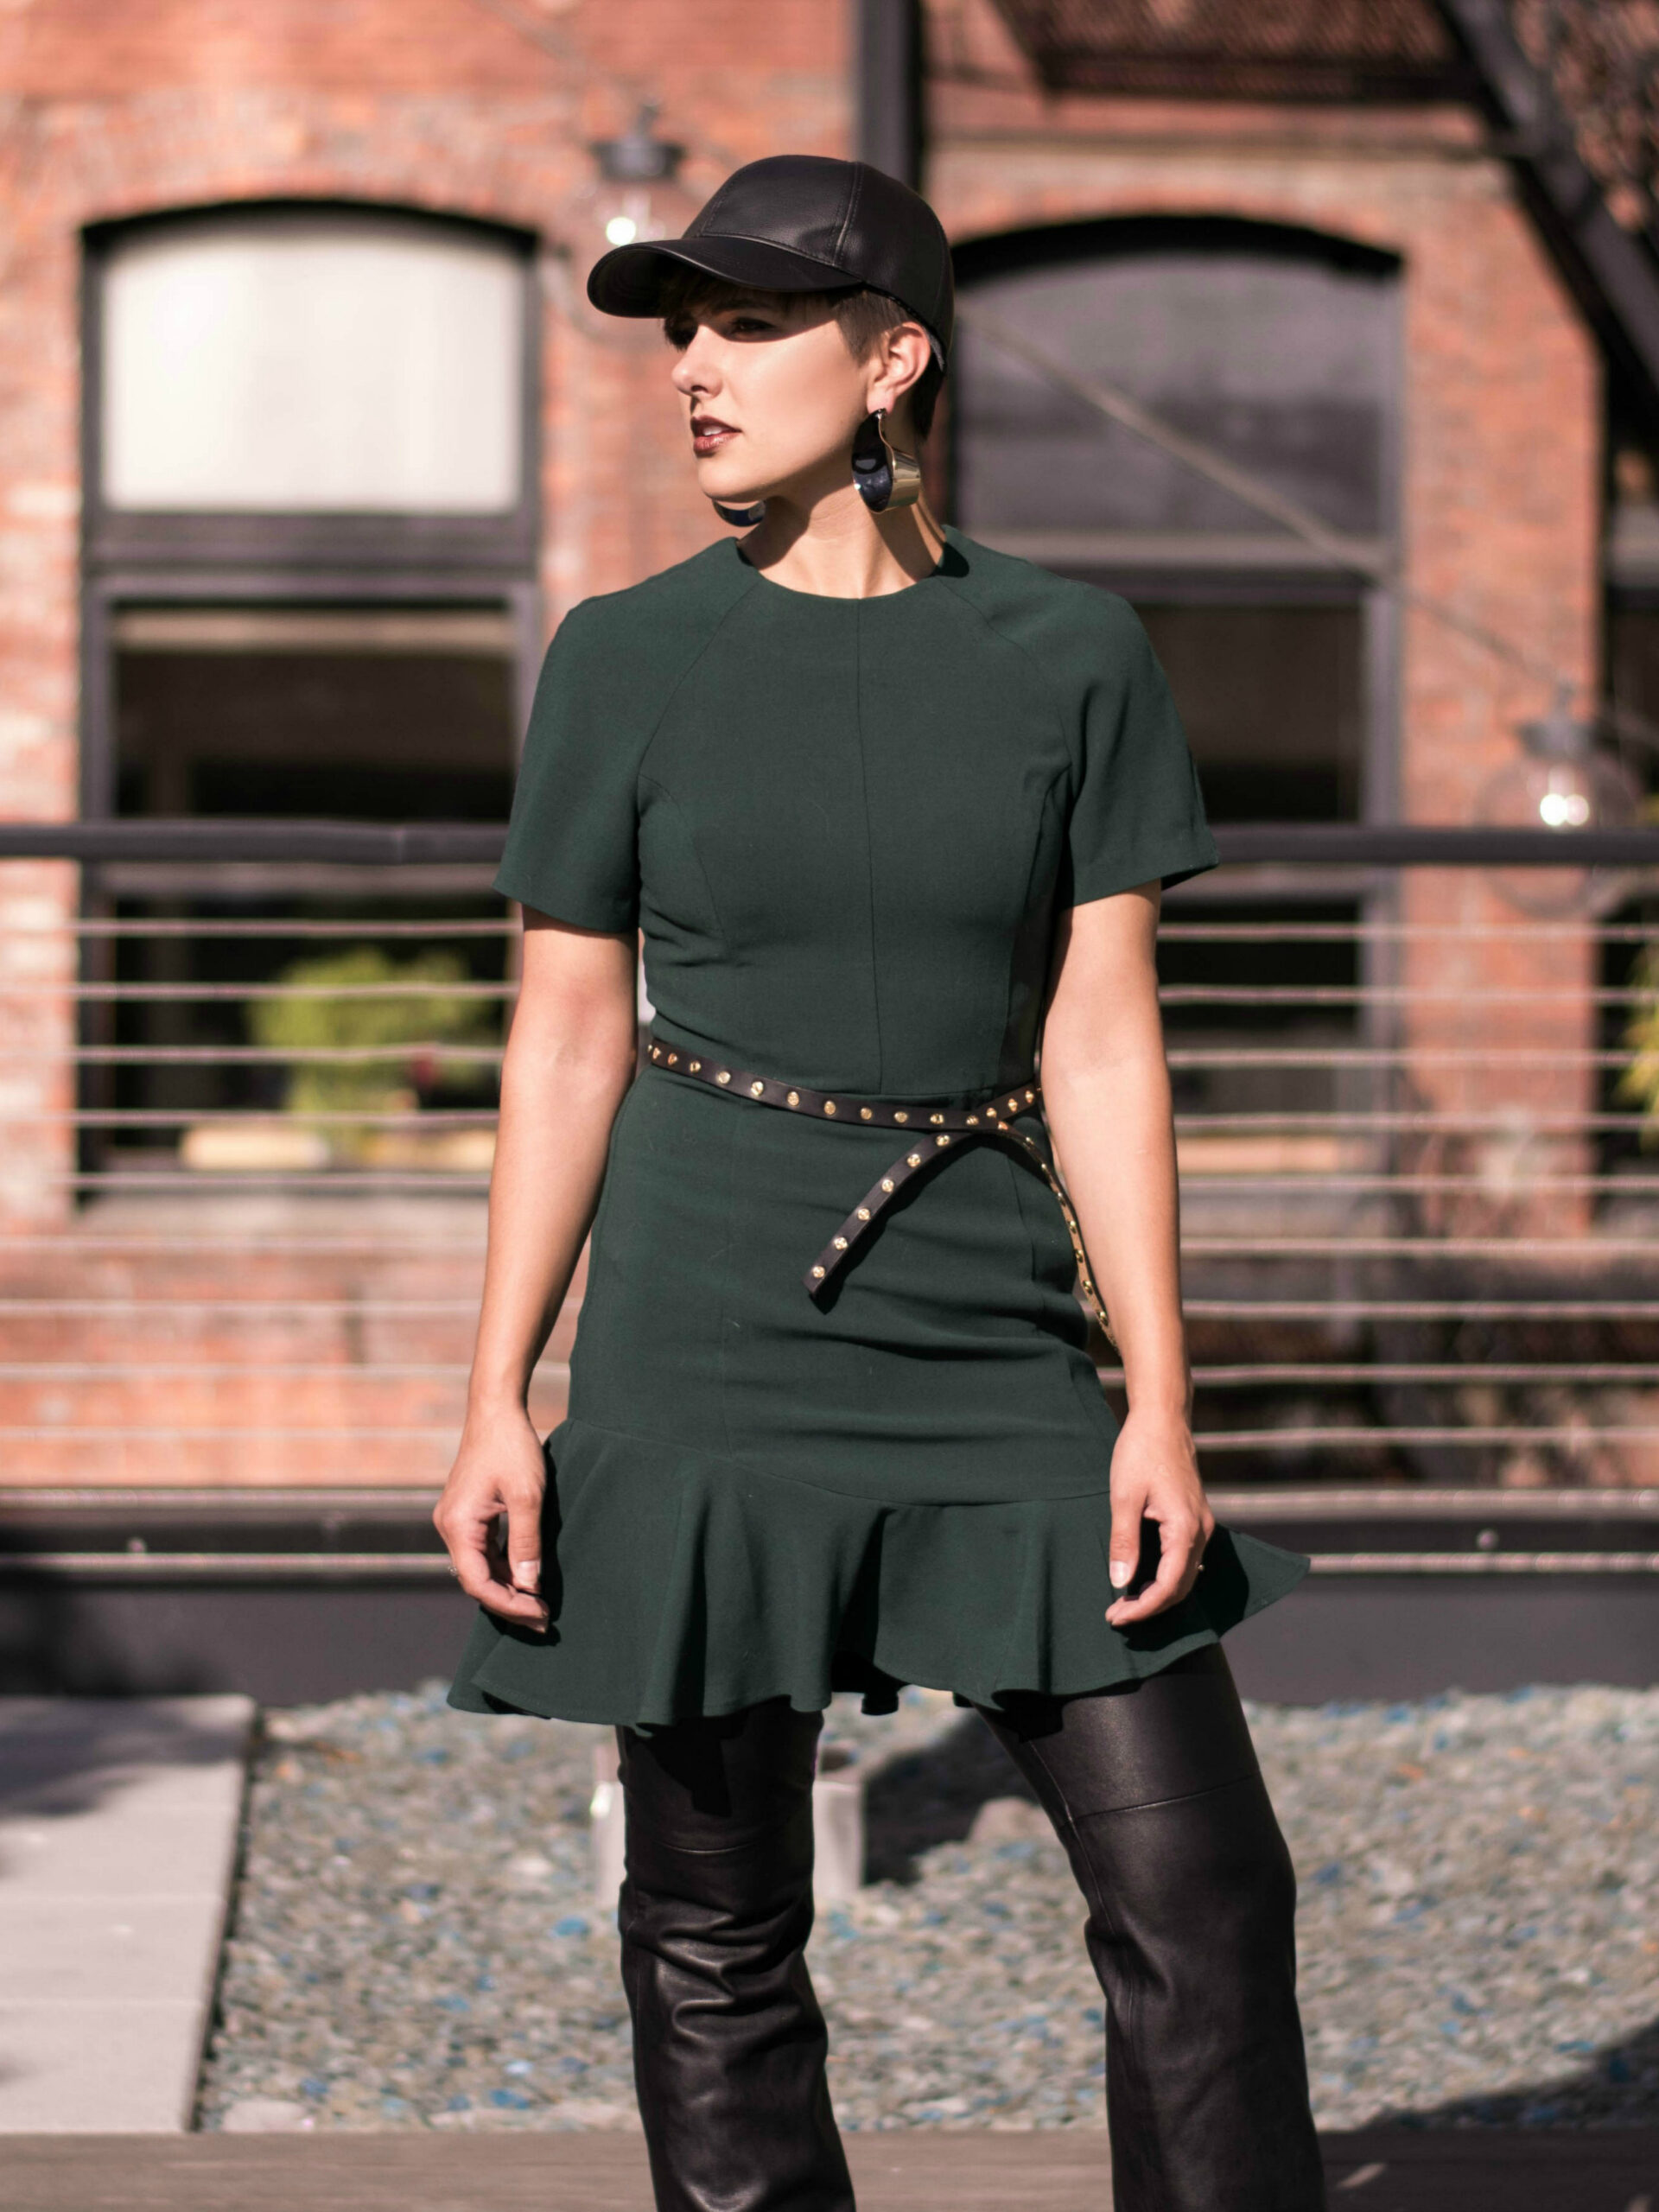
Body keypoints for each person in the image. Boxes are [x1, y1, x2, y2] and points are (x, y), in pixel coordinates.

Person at [435, 154, 1325, 2212]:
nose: (697, 366)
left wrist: (1162, 1399)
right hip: (700, 1319)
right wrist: (496, 1394)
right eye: (684, 327)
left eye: (751, 323)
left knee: (1206, 1888)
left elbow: (1103, 1039)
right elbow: (563, 1037)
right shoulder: (622, 654)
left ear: (894, 357)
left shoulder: (1073, 651)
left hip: (996, 1316)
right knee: (717, 1908)